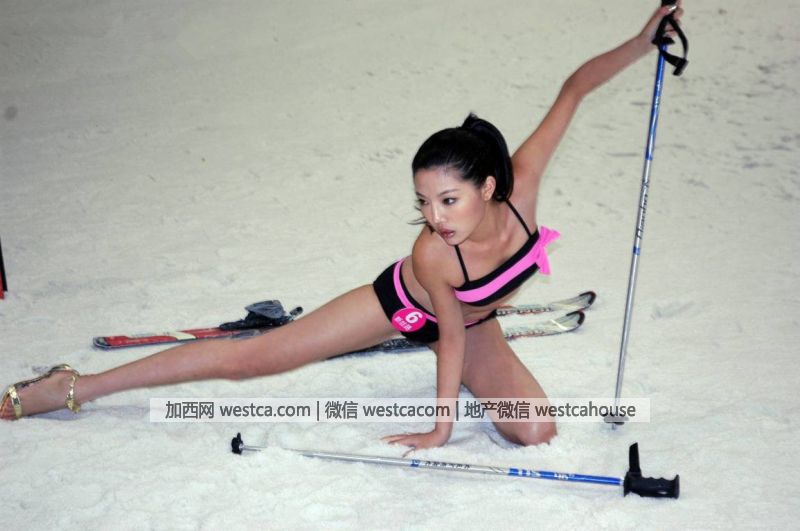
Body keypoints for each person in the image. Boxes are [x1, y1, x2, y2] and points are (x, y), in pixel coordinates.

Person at [1, 3, 684, 450]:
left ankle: (483, 382)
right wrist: (439, 427)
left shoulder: (523, 186)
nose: (434, 217)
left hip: (477, 327)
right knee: (252, 360)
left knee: (535, 431)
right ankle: (75, 385)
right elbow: (444, 332)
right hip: (403, 307)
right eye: (424, 201)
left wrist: (640, 40)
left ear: (488, 186)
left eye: (449, 200)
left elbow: (574, 88)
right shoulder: (433, 252)